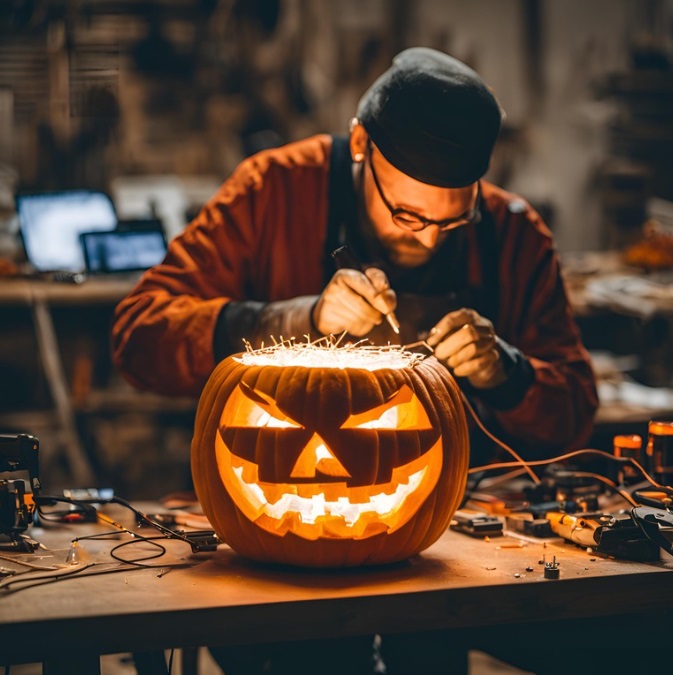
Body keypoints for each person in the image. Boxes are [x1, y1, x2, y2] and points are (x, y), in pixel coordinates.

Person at [112, 47, 598, 674]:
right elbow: (138, 334)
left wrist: (506, 371)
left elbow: (577, 412)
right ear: (361, 144)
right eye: (407, 215)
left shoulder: (512, 232)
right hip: (281, 554)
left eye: (450, 224)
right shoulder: (274, 190)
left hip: (444, 545)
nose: (424, 238)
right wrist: (292, 320)